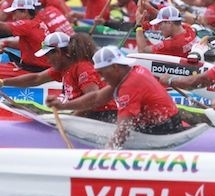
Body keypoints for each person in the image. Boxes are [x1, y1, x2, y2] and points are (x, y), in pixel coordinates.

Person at [48, 46, 183, 148]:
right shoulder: (130, 72)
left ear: (114, 67)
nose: (101, 77)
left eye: (101, 72)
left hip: (163, 129)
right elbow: (96, 98)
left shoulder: (130, 85)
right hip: (166, 121)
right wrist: (63, 106)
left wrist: (106, 155)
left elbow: (123, 130)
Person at [0, 32, 117, 120]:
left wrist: (71, 119)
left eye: (48, 55)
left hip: (103, 116)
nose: (47, 61)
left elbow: (92, 100)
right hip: (87, 115)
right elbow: (36, 78)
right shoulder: (63, 68)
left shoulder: (82, 67)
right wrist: (2, 82)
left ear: (59, 52)